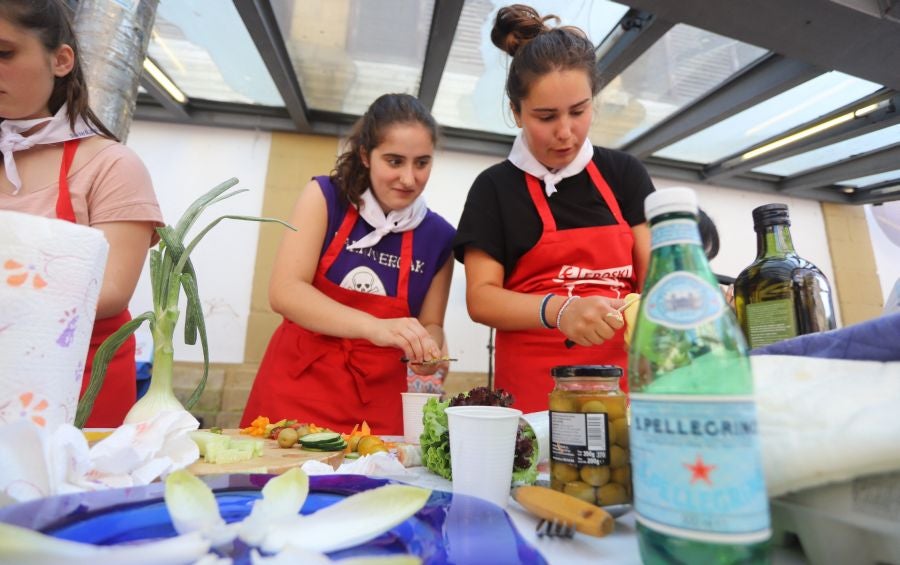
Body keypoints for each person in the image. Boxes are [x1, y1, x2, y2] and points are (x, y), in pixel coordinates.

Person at [453, 4, 656, 413]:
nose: (566, 133)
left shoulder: (624, 175)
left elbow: (657, 279)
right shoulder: (495, 188)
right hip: (535, 399)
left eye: (578, 112)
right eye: (545, 117)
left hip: (628, 397)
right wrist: (560, 310)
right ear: (516, 112)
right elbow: (483, 299)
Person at [241, 93, 455, 435]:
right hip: (295, 391)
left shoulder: (440, 237)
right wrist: (376, 327)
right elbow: (284, 291)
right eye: (395, 161)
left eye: (422, 162)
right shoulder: (326, 198)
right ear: (365, 156)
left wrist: (428, 349)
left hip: (377, 410)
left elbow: (432, 322)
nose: (409, 178)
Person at [0, 0, 163, 427]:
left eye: (4, 53)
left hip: (77, 388)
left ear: (61, 60)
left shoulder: (110, 165)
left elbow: (109, 290)